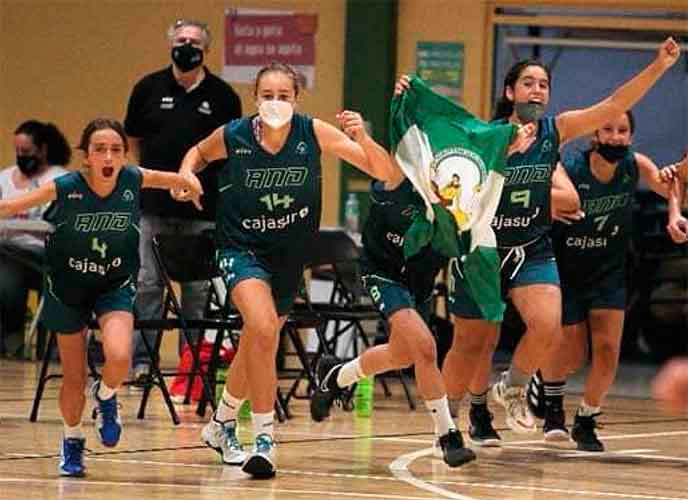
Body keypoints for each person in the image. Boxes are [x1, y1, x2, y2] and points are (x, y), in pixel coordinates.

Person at [442, 37, 681, 440]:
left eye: (543, 84)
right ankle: (447, 421)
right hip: (483, 248)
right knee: (474, 342)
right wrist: (502, 153)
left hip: (532, 247)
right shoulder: (484, 135)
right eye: (528, 82)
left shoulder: (557, 130)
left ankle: (514, 386)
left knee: (548, 325)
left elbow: (611, 104)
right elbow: (458, 191)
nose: (537, 89)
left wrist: (659, 66)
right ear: (509, 92)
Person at [171, 62, 398, 479]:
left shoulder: (312, 133)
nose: (275, 103)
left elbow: (385, 172)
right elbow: (199, 153)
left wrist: (361, 135)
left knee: (259, 338)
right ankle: (264, 440)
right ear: (256, 97)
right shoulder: (236, 135)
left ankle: (220, 424)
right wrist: (187, 173)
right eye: (268, 95)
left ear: (297, 99)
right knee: (260, 327)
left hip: (289, 253)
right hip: (240, 246)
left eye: (284, 96)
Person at [308, 111, 535, 465]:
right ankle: (448, 436)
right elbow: (378, 159)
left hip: (420, 281)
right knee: (426, 348)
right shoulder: (397, 174)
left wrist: (511, 148)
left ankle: (337, 375)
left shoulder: (455, 189)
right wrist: (361, 137)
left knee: (403, 353)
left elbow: (485, 171)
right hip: (383, 272)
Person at [0, 118, 202, 477]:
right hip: (68, 286)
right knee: (73, 376)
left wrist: (189, 182)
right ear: (87, 158)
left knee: (120, 356)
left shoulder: (132, 179)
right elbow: (12, 206)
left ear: (124, 155)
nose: (108, 156)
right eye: (100, 149)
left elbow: (171, 177)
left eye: (116, 149)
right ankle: (73, 439)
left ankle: (106, 397)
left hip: (113, 283)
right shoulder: (65, 187)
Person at [528, 111, 685, 451]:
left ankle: (586, 419)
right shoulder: (571, 166)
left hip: (609, 270)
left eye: (623, 130)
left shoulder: (635, 164)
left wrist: (674, 209)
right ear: (594, 135)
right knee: (571, 354)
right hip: (567, 267)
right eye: (608, 130)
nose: (615, 136)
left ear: (630, 136)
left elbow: (669, 187)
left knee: (608, 349)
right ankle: (550, 399)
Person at [124, 18, 242, 383]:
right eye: (180, 40)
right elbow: (132, 141)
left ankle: (191, 367)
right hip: (153, 208)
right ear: (171, 45)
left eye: (193, 41)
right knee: (147, 285)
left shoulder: (223, 97)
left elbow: (229, 152)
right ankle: (144, 363)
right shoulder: (147, 88)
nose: (186, 45)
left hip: (201, 211)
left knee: (196, 290)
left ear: (205, 50)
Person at [0, 121, 69, 355]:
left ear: (43, 150)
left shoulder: (59, 179)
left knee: (8, 268)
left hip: (42, 255)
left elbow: (55, 223)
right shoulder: (4, 178)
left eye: (27, 152)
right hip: (8, 250)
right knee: (6, 264)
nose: (21, 157)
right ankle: (11, 338)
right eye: (17, 152)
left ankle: (12, 339)